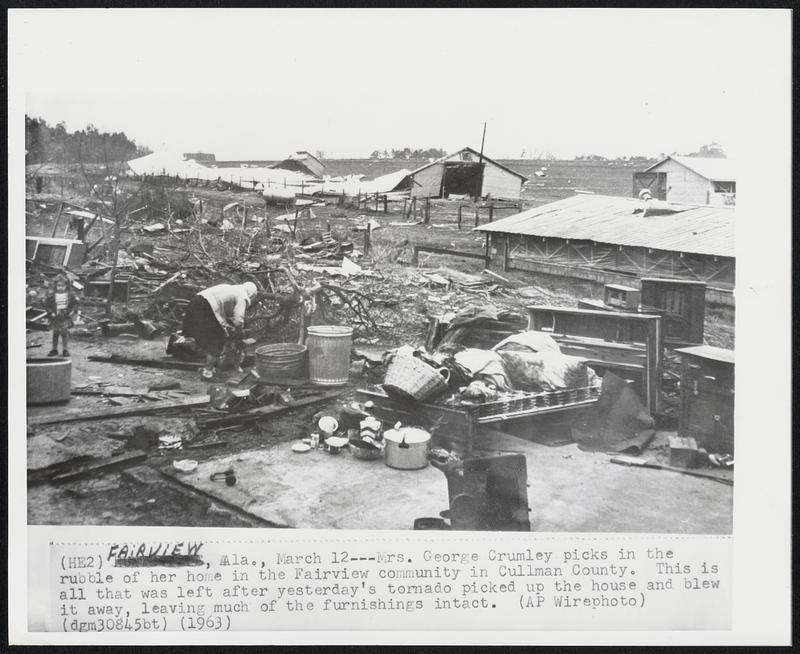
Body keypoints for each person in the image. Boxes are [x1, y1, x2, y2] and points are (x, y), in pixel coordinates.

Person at [182, 281, 258, 379]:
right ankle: (207, 373)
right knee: (216, 340)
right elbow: (239, 319)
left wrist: (227, 326)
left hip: (195, 302)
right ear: (251, 293)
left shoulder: (231, 288)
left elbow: (221, 310)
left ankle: (209, 367)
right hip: (206, 307)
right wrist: (240, 331)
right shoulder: (242, 295)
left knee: (205, 338)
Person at [45, 275, 77, 357]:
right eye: (59, 285)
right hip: (55, 316)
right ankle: (54, 349)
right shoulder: (52, 295)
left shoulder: (70, 295)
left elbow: (75, 304)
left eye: (63, 285)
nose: (61, 287)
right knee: (55, 333)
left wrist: (72, 311)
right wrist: (51, 312)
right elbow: (47, 305)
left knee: (64, 333)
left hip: (65, 316)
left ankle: (65, 349)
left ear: (66, 286)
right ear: (55, 286)